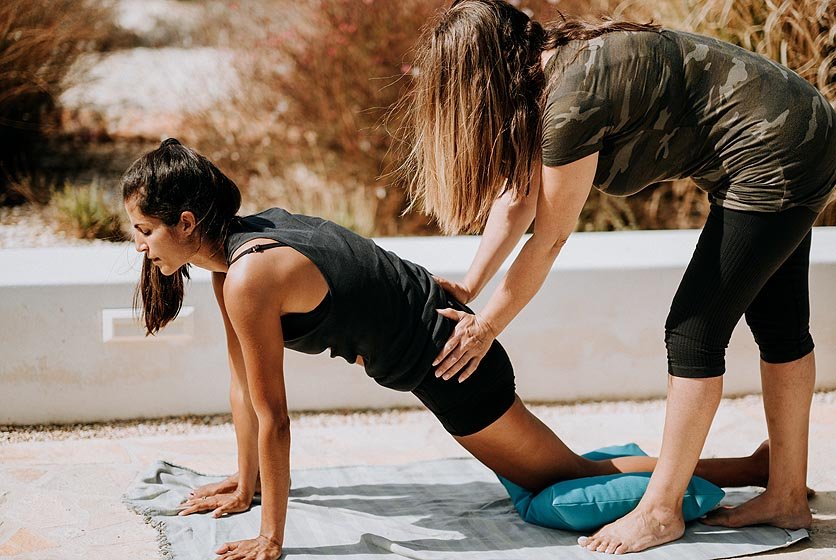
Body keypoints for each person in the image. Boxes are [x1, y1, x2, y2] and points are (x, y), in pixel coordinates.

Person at [123, 139, 778, 560]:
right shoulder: (234, 255)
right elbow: (244, 386)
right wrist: (246, 486)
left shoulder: (249, 275)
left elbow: (275, 416)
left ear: (187, 223)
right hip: (442, 342)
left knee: (562, 478)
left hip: (453, 363)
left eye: (145, 229)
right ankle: (746, 465)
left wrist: (271, 537)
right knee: (560, 467)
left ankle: (750, 470)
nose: (140, 245)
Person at [405, 0, 835, 554]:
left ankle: (660, 512)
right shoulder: (546, 75)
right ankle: (786, 494)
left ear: (481, 75)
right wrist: (469, 286)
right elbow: (518, 200)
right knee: (780, 325)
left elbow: (551, 237)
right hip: (796, 129)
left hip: (776, 147)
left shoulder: (568, 102)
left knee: (693, 332)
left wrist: (486, 326)